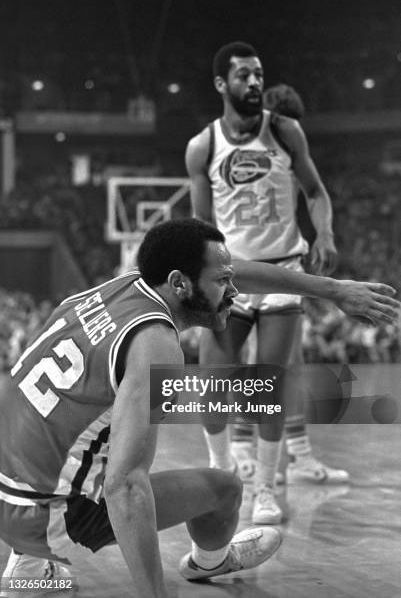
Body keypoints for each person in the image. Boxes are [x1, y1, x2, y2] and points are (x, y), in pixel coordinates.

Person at [0, 219, 399, 598]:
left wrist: (333, 290)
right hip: (48, 512)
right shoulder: (155, 342)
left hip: (8, 484)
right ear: (179, 283)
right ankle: (208, 563)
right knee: (225, 489)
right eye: (223, 282)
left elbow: (239, 271)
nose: (235, 292)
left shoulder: (123, 287)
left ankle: (29, 564)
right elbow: (125, 486)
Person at [186, 41, 346, 525]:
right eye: (243, 76)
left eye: (258, 74)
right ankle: (221, 474)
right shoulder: (203, 146)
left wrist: (326, 231)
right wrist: (202, 286)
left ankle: (264, 490)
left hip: (281, 270)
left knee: (270, 384)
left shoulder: (285, 131)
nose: (254, 83)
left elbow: (315, 192)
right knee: (213, 384)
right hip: (228, 274)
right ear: (221, 84)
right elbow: (200, 225)